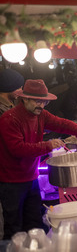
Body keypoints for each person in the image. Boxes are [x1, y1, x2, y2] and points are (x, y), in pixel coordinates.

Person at [0, 79, 77, 239]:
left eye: (44, 101)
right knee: (14, 227)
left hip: (32, 178)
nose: (41, 105)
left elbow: (61, 123)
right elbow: (18, 149)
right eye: (37, 101)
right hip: (11, 182)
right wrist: (48, 145)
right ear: (25, 99)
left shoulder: (40, 115)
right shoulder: (9, 119)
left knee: (34, 224)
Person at [0, 69, 25, 240]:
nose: (21, 91)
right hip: (6, 171)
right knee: (11, 219)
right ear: (10, 87)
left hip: (11, 169)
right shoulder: (2, 111)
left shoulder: (9, 105)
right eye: (19, 87)